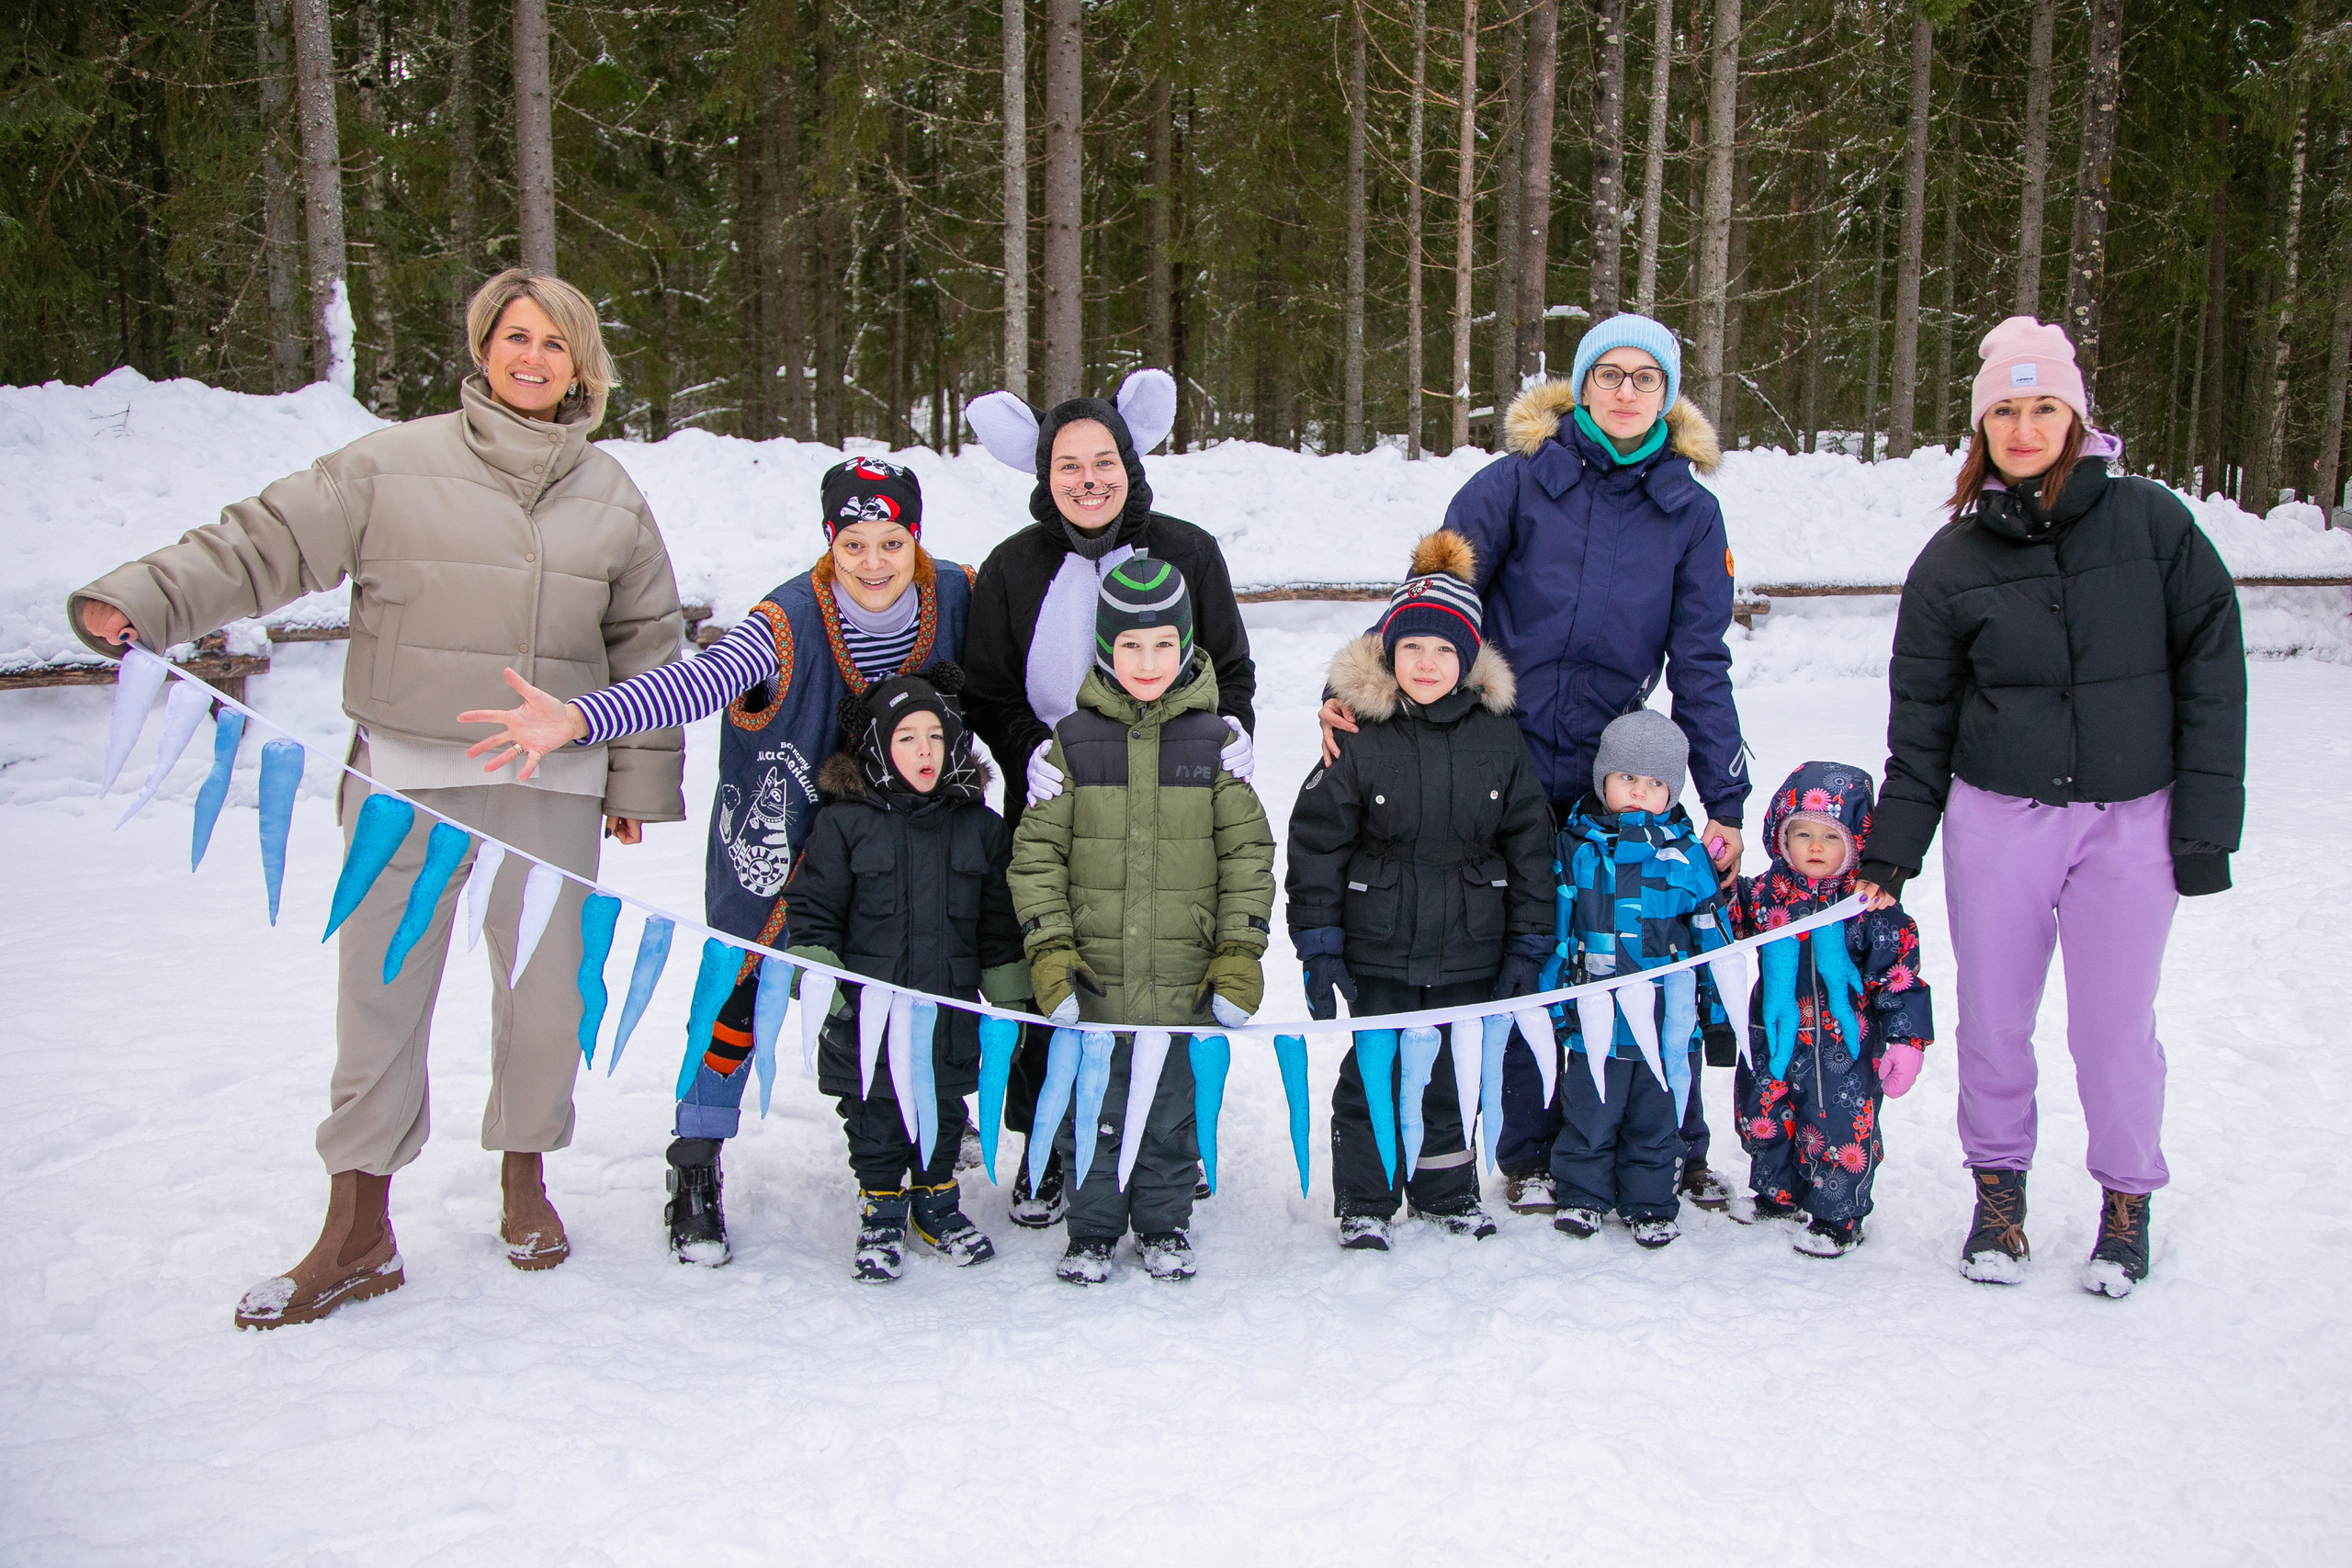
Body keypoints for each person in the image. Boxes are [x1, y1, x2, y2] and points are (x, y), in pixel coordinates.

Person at [70, 269, 688, 1326]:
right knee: (380, 1000)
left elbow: (645, 639)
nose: (531, 357)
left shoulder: (611, 494)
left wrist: (634, 774)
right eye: (514, 336)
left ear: (581, 367)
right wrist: (143, 598)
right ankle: (358, 1227)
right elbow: (261, 542)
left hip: (551, 787)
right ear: (482, 347)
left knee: (546, 1000)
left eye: (554, 343)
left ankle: (525, 1181)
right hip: (405, 782)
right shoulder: (391, 464)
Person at [460, 455, 972, 1263]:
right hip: (785, 842)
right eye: (853, 545)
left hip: (906, 842)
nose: (873, 563)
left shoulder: (957, 595)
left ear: (915, 538)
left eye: (890, 543)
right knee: (739, 994)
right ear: (829, 541)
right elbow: (699, 683)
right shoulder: (784, 622)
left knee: (920, 981)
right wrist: (581, 720)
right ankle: (695, 1158)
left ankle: (933, 1122)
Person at [1323, 315, 1749, 1218]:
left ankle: (1670, 1144)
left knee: (1643, 949)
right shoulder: (1517, 482)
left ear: (1668, 396)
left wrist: (1725, 797)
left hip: (1613, 773)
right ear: (1580, 385)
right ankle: (1531, 1152)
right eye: (1609, 374)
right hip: (1498, 758)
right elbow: (1431, 599)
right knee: (1526, 949)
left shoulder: (1690, 512)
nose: (1626, 391)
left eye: (1645, 377)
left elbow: (1701, 662)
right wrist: (1355, 690)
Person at [1866, 316, 2245, 1298]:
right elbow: (1921, 723)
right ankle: (1998, 1198)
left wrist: (2205, 828)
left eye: (2043, 408)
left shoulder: (2153, 524)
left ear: (2076, 418)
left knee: (2114, 1030)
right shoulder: (1951, 562)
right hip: (1998, 821)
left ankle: (2126, 1202)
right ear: (1981, 427)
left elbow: (2212, 676)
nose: (2025, 428)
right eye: (2005, 410)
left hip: (2132, 820)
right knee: (1994, 1022)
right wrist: (1891, 852)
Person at [963, 369, 1258, 1227]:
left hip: (1175, 800)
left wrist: (1232, 729)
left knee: (1168, 969)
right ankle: (1047, 1147)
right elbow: (986, 688)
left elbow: (1232, 666)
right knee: (1053, 974)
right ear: (1043, 473)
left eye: (1103, 462)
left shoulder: (1188, 551)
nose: (1088, 480)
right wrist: (1029, 751)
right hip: (1059, 797)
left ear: (1130, 461)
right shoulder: (1012, 568)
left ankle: (1170, 1143)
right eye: (1068, 465)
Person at [1281, 532, 1552, 1250]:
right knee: (1375, 1070)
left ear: (1467, 660)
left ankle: (1445, 1192)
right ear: (1389, 653)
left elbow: (1529, 840)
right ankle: (1366, 1199)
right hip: (1381, 945)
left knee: (1450, 1075)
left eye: (1443, 651)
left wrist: (1529, 940)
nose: (1427, 663)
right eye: (1412, 648)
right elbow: (1317, 843)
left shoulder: (1499, 736)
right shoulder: (1358, 733)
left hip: (1470, 943)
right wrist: (1319, 944)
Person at [1007, 560, 1275, 1284]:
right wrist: (1051, 954)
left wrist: (1238, 954)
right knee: (1089, 1109)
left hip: (1184, 982)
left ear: (1186, 645)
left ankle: (1163, 1223)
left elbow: (1248, 855)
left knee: (1169, 1115)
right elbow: (1036, 857)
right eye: (1130, 645)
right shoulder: (1072, 745)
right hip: (1093, 981)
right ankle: (1092, 1229)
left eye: (1163, 645)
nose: (1148, 662)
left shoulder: (1215, 746)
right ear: (1104, 648)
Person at [778, 666, 1029, 1280]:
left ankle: (936, 1203)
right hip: (867, 1014)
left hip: (948, 1009)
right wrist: (822, 981)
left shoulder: (980, 827)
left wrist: (1008, 992)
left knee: (943, 1110)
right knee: (875, 1117)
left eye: (936, 737)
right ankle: (882, 1209)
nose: (924, 751)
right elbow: (812, 909)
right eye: (907, 738)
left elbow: (998, 922)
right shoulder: (845, 823)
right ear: (877, 745)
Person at [1726, 761, 1934, 1258]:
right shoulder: (1765, 893)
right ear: (1781, 836)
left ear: (1858, 842)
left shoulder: (1870, 907)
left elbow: (1898, 975)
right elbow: (1727, 922)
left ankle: (1838, 1215)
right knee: (1764, 1111)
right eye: (1802, 834)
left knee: (1838, 1124)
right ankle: (1776, 1193)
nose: (1815, 847)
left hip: (1845, 1046)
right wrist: (1716, 877)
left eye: (1831, 836)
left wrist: (1906, 1039)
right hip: (1774, 1033)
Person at [1545, 711, 1735, 1249]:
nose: (1639, 793)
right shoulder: (1576, 848)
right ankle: (1582, 1196)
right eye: (1627, 778)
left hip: (1667, 1024)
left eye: (1655, 783)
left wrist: (1717, 1019)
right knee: (1589, 1114)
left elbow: (1712, 939)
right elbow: (1557, 930)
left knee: (1658, 1120)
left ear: (1672, 792)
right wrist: (1552, 1003)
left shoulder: (1687, 856)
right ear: (1602, 778)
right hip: (1595, 1023)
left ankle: (1650, 1203)